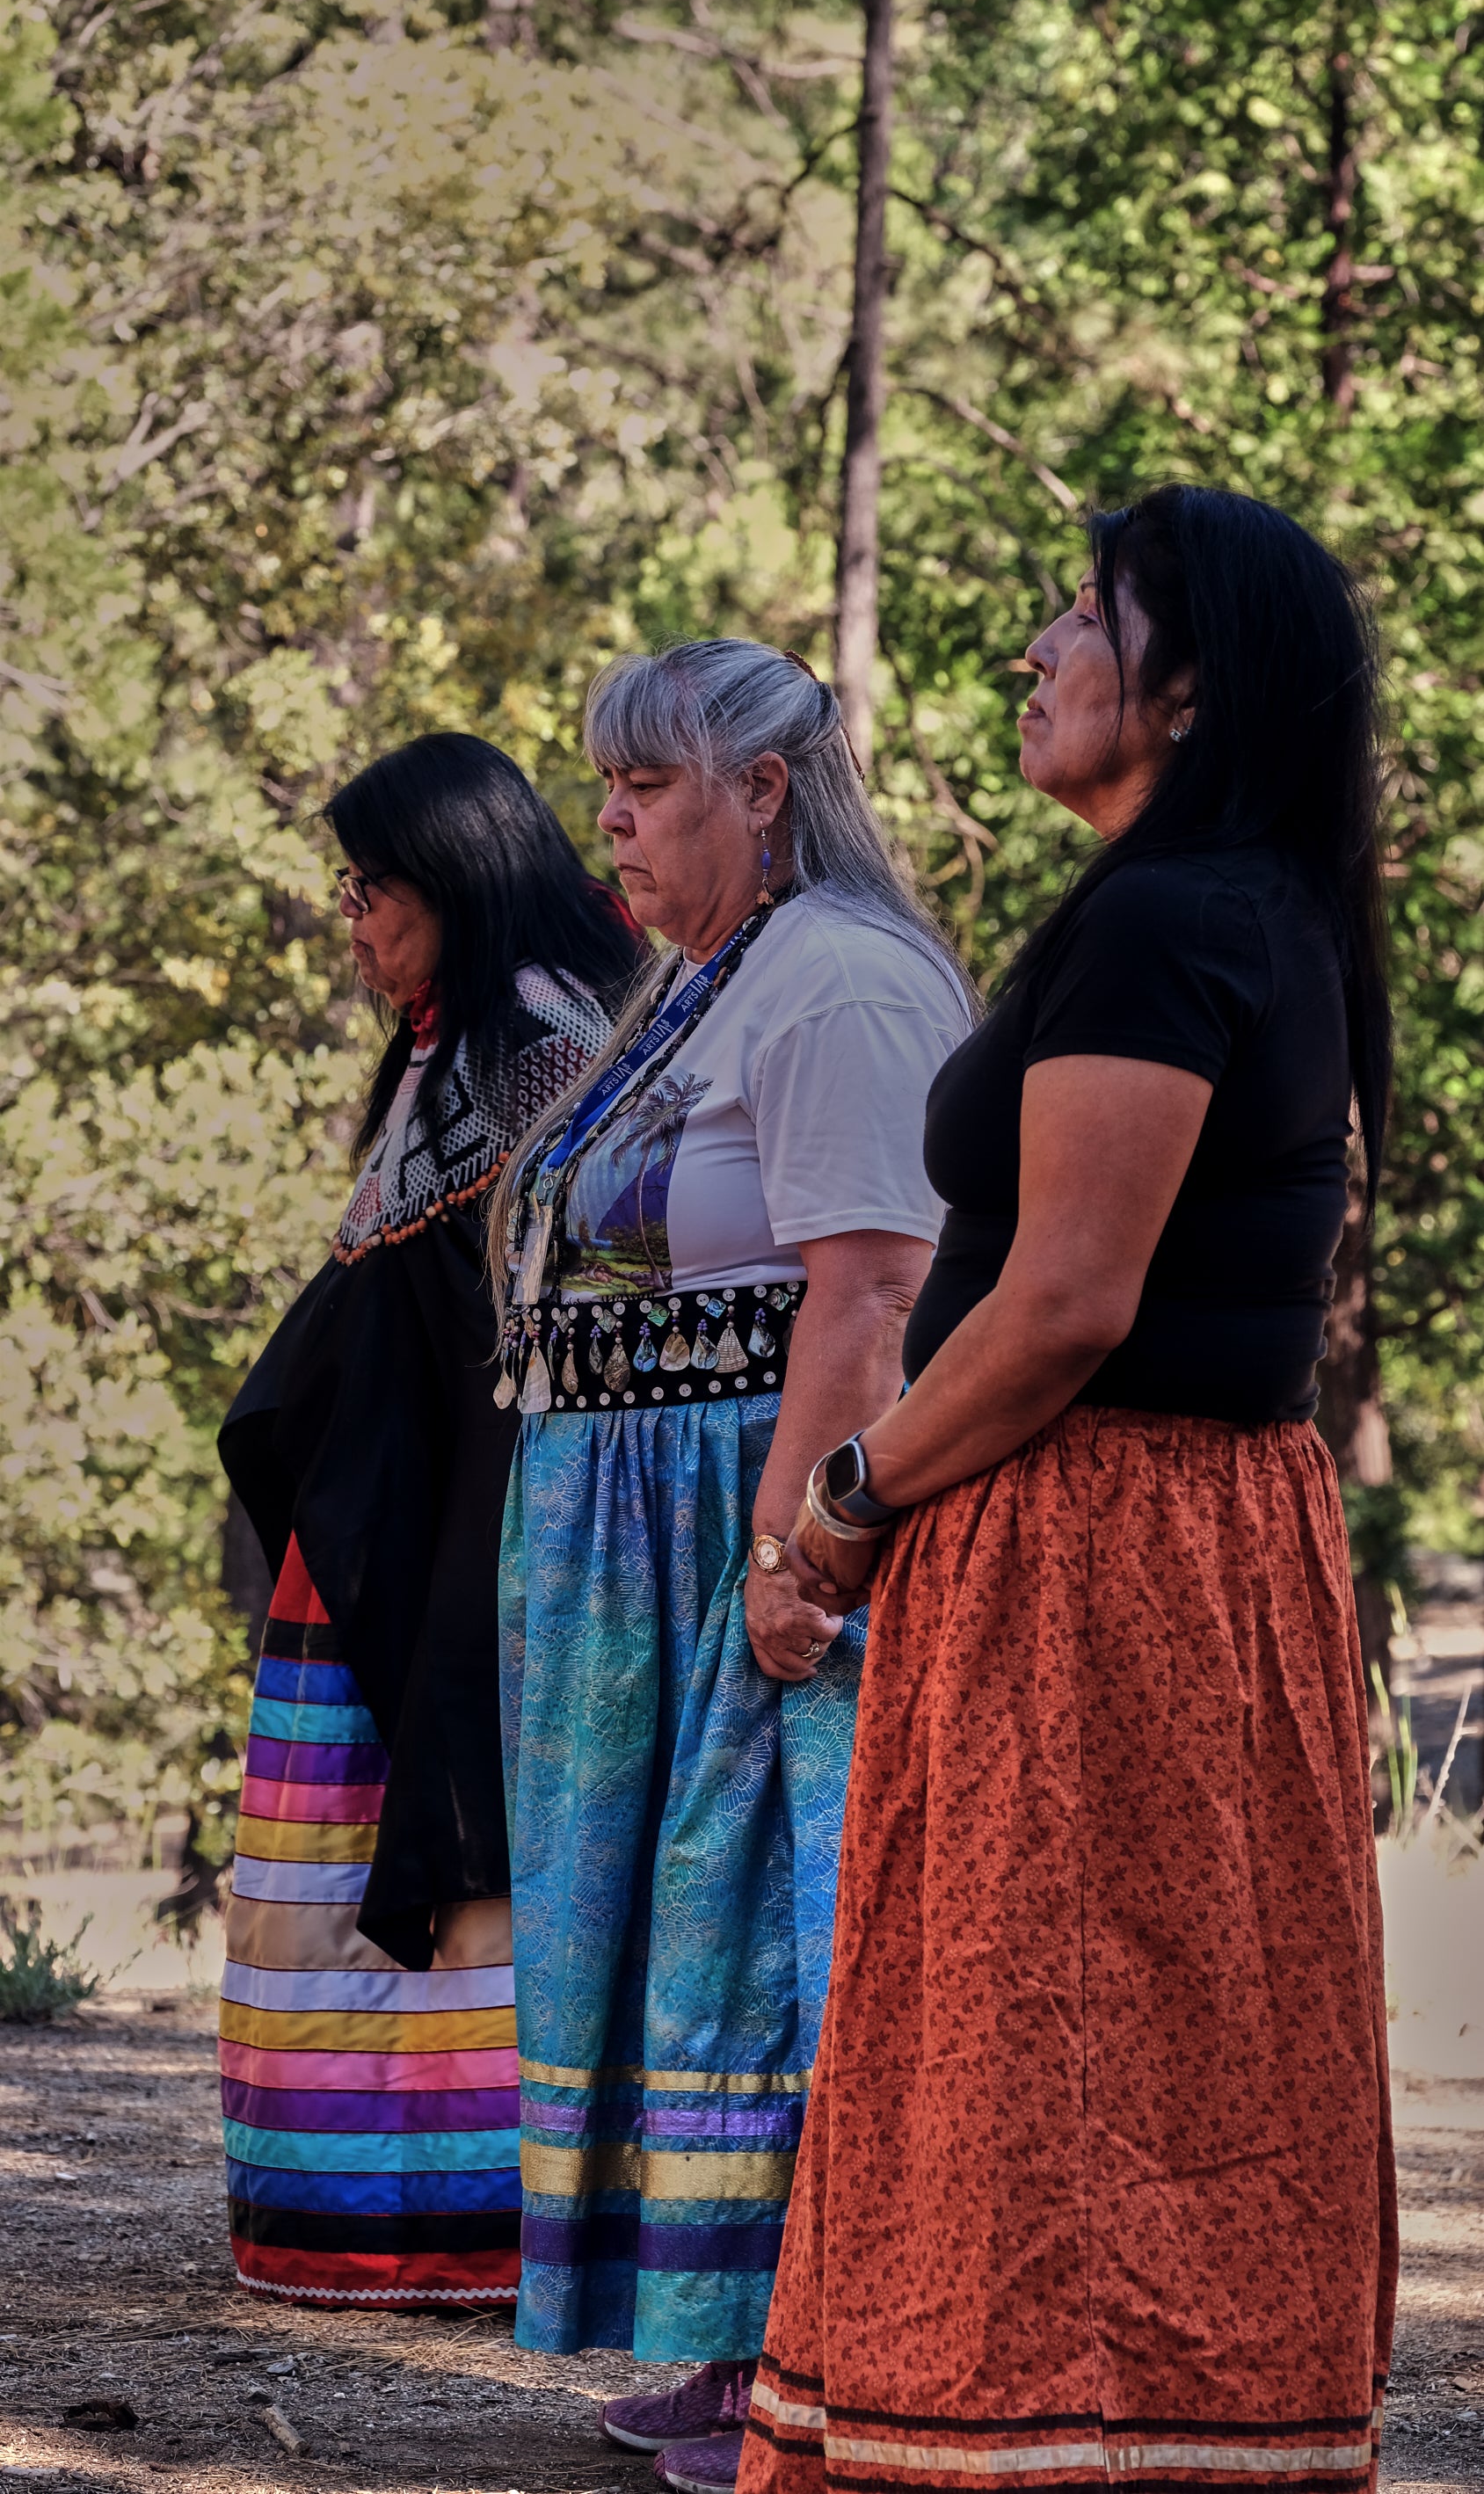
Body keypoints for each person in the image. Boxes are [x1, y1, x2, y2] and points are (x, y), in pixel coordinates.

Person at [742, 488, 1399, 2494]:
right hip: (1196, 1544)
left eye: (1076, 615)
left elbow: (1058, 1309)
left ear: (1184, 685)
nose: (1030, 649)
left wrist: (846, 1503)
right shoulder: (1243, 906)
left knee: (1038, 2056)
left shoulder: (1170, 921)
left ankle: (1013, 2447)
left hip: (1102, 1543)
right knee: (1160, 2040)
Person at [490, 640, 972, 2487]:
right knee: (676, 1933)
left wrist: (794, 1553)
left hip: (742, 1513)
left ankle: (818, 2352)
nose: (608, 819)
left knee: (763, 1917)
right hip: (631, 1532)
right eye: (602, 783)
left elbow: (867, 1287)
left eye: (652, 784)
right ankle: (720, 2332)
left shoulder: (838, 981)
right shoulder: (710, 982)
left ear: (762, 793)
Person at [217, 731, 640, 2309]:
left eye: (371, 886)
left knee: (469, 1845)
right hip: (381, 1532)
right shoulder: (441, 1041)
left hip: (470, 1530)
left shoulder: (534, 1039)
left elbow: (526, 1323)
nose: (353, 918)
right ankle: (353, 2215)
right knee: (343, 1844)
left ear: (454, 884)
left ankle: (456, 2224)